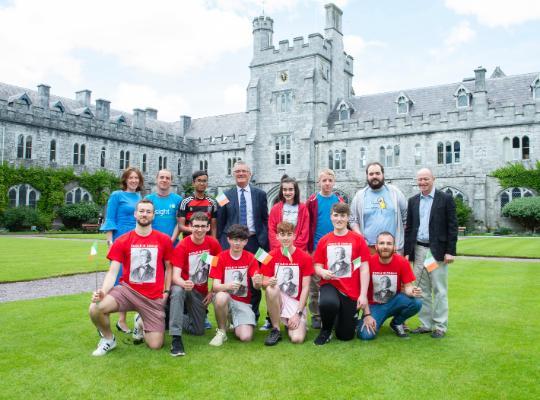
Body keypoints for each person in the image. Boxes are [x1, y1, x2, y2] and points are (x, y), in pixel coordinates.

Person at [89, 199, 173, 356]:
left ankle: (139, 322)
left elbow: (169, 268)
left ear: (153, 216)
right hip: (127, 291)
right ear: (135, 214)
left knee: (155, 344)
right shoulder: (122, 241)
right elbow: (113, 271)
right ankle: (108, 339)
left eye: (148, 211)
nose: (144, 214)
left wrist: (166, 293)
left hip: (152, 297)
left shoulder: (164, 239)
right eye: (141, 211)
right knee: (95, 308)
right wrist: (103, 291)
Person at [404, 168, 458, 339]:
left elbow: (452, 226)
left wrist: (450, 251)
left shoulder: (445, 199)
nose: (422, 182)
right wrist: (407, 252)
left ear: (433, 179)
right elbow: (410, 228)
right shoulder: (413, 201)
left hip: (436, 252)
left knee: (439, 289)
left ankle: (440, 325)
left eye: (426, 179)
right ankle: (426, 324)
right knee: (422, 289)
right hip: (419, 250)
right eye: (419, 180)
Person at [217, 160, 268, 324]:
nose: (240, 174)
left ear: (250, 174)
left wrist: (264, 241)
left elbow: (264, 219)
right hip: (232, 244)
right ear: (233, 174)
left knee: (255, 279)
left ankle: (253, 315)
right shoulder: (223, 196)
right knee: (231, 279)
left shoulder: (260, 194)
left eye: (244, 171)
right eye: (237, 171)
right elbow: (220, 221)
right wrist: (222, 244)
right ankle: (232, 315)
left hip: (255, 242)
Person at [313, 203, 370, 345]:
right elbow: (317, 266)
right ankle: (325, 331)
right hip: (330, 284)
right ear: (331, 217)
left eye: (343, 216)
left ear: (348, 218)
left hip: (350, 291)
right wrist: (322, 271)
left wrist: (363, 295)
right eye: (336, 215)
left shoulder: (358, 240)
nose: (339, 219)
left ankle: (340, 318)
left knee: (345, 336)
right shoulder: (324, 240)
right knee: (328, 303)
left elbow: (364, 268)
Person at [168, 212, 221, 356]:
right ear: (190, 227)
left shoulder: (213, 244)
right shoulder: (182, 246)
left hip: (200, 291)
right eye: (196, 226)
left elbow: (218, 271)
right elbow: (175, 277)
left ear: (208, 227)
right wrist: (184, 283)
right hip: (184, 286)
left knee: (198, 331)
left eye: (203, 226)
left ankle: (168, 315)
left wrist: (212, 291)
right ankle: (176, 338)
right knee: (178, 291)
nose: (199, 229)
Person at [99, 166, 144, 334]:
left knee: (133, 279)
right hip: (120, 239)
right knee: (119, 279)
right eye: (131, 178)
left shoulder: (140, 196)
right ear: (125, 180)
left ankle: (124, 319)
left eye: (136, 178)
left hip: (136, 240)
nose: (134, 181)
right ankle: (118, 319)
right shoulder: (117, 195)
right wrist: (110, 241)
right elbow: (110, 218)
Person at [357, 232, 422, 340]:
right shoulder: (368, 263)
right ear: (376, 246)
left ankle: (396, 323)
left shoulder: (402, 262)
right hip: (374, 306)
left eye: (389, 243)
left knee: (416, 302)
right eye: (382, 243)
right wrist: (367, 315)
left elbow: (408, 287)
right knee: (365, 335)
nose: (385, 247)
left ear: (394, 246)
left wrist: (413, 291)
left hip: (393, 302)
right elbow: (362, 293)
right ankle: (356, 322)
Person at [208, 224, 263, 346]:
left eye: (241, 240)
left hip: (243, 303)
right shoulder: (219, 257)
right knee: (221, 296)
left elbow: (256, 286)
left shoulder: (251, 258)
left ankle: (234, 322)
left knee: (246, 337)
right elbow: (216, 286)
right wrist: (228, 286)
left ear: (246, 241)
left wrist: (257, 282)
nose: (237, 243)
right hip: (225, 299)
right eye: (234, 239)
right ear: (228, 239)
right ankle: (221, 331)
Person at [261, 222, 314, 345]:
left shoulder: (305, 257)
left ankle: (292, 321)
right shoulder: (270, 255)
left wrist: (298, 314)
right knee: (271, 289)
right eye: (282, 234)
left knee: (297, 339)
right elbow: (263, 283)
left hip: (295, 303)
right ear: (277, 236)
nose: (285, 238)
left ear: (294, 236)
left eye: (289, 234)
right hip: (278, 298)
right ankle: (276, 329)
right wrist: (268, 282)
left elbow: (306, 288)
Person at [306, 168, 344, 329]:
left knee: (336, 279)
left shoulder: (339, 201)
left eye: (330, 180)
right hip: (316, 247)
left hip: (335, 247)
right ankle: (316, 314)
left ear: (334, 182)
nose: (327, 183)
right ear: (319, 182)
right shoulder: (312, 201)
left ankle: (335, 311)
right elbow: (307, 224)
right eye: (324, 180)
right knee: (315, 283)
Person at [350, 162, 407, 254]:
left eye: (377, 173)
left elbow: (406, 217)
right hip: (368, 248)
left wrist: (400, 239)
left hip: (393, 247)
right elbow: (353, 220)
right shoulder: (359, 196)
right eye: (371, 174)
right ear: (367, 176)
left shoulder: (395, 193)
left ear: (383, 174)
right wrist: (360, 238)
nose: (374, 176)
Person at [268, 176, 309, 251]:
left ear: (295, 191)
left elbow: (304, 232)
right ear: (281, 191)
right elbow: (272, 231)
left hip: (297, 249)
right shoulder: (275, 208)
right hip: (279, 249)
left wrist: (293, 249)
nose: (287, 192)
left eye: (291, 189)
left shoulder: (303, 208)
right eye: (285, 190)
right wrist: (280, 248)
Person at [178, 170, 218, 238]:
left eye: (204, 181)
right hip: (189, 240)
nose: (202, 183)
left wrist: (214, 241)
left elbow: (213, 228)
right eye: (199, 180)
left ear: (207, 183)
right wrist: (198, 230)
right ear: (193, 183)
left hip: (206, 240)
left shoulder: (212, 202)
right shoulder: (185, 202)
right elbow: (181, 226)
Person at [144, 169, 183, 241]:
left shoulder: (178, 200)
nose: (164, 180)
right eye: (161, 177)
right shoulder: (148, 199)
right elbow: (145, 221)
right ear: (156, 180)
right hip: (152, 243)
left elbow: (180, 223)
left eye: (167, 178)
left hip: (172, 243)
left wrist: (171, 241)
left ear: (171, 181)